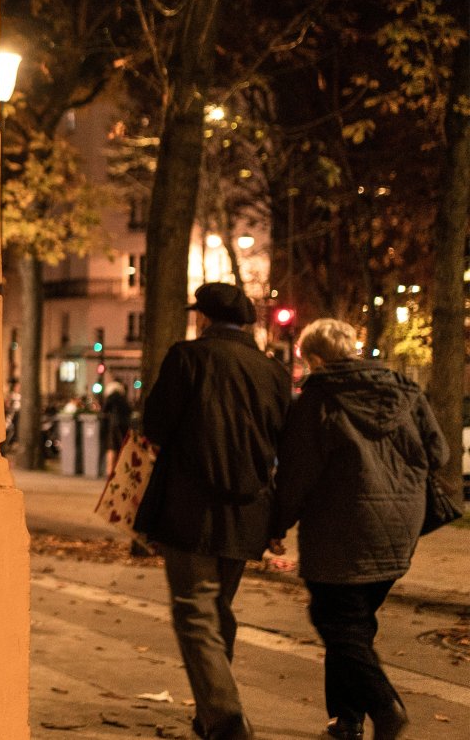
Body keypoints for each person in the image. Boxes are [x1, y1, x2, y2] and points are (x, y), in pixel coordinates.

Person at [269, 318, 452, 740]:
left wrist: (277, 524)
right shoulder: (405, 389)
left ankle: (384, 705)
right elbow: (439, 452)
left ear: (314, 358)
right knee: (356, 621)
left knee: (332, 617)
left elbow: (297, 473)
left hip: (340, 527)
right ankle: (346, 719)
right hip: (401, 523)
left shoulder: (318, 398)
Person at [134, 282, 292, 740]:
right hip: (248, 511)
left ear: (203, 317)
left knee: (195, 610)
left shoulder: (187, 358)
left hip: (190, 505)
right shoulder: (273, 372)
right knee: (217, 607)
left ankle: (224, 717)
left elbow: (156, 426)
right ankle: (209, 716)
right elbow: (285, 442)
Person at [102, 377, 134, 472]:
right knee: (122, 446)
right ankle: (121, 469)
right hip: (124, 424)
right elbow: (129, 410)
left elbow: (104, 410)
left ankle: (110, 470)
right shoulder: (123, 398)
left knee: (112, 448)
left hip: (113, 425)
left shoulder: (111, 397)